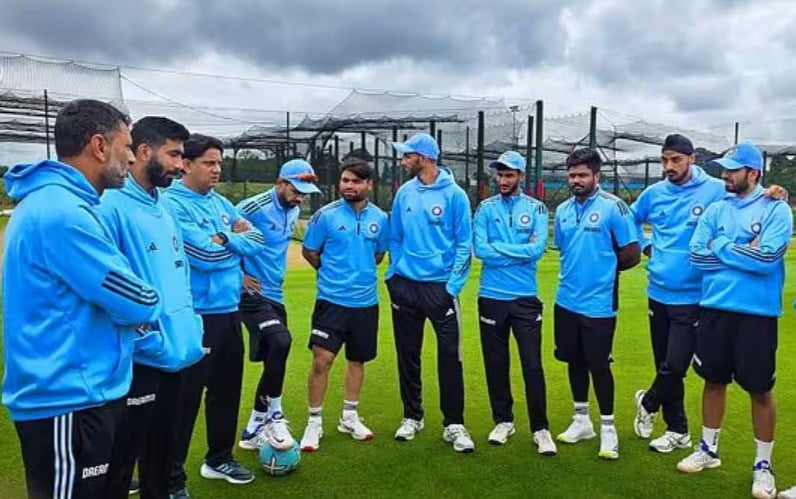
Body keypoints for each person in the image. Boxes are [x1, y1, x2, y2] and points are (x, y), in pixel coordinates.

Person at [2, 99, 162, 498]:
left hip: (80, 393)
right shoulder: (62, 212)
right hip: (66, 398)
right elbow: (137, 300)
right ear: (99, 146)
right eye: (127, 146)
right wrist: (149, 300)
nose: (131, 158)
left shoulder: (65, 204)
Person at [631, 135, 788, 454]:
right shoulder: (655, 193)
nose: (668, 166)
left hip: (697, 295)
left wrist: (776, 193)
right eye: (664, 160)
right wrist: (646, 246)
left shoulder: (717, 190)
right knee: (667, 365)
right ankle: (678, 430)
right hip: (658, 290)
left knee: (676, 365)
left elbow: (754, 204)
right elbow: (632, 221)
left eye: (675, 159)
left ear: (691, 159)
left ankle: (649, 402)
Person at [97, 117, 205, 498]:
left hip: (178, 355)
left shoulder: (165, 208)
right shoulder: (110, 206)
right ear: (144, 152)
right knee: (119, 465)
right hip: (139, 362)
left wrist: (190, 326)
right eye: (173, 155)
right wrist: (148, 340)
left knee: (162, 462)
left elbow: (181, 276)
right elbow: (106, 289)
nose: (181, 165)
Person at [679, 142, 792, 499]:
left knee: (759, 389)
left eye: (732, 169)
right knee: (713, 381)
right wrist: (741, 249)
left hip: (757, 314)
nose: (725, 175)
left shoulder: (776, 208)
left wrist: (722, 244)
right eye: (724, 168)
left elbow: (767, 259)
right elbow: (697, 256)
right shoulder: (717, 209)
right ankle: (708, 450)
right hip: (715, 309)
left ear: (753, 173)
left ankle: (763, 465)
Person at [162, 134, 264, 491]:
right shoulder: (171, 204)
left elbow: (258, 241)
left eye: (219, 162)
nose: (217, 169)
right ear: (186, 165)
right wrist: (232, 240)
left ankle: (219, 459)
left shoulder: (222, 203)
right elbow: (204, 256)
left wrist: (225, 239)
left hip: (229, 311)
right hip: (195, 316)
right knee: (184, 401)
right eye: (209, 162)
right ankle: (170, 478)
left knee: (227, 392)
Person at [386, 133, 475, 453]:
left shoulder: (455, 195)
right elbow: (395, 236)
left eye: (407, 156)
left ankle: (454, 423)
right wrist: (394, 273)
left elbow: (465, 243)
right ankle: (412, 416)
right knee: (407, 355)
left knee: (450, 356)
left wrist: (452, 287)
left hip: (440, 289)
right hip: (405, 287)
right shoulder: (404, 193)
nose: (402, 161)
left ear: (423, 158)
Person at [553, 147, 640, 460]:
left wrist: (603, 271)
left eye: (582, 175)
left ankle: (608, 428)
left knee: (598, 364)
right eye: (572, 175)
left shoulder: (614, 207)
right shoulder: (562, 210)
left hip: (599, 302)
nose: (576, 180)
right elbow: (564, 248)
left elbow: (632, 253)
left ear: (596, 176)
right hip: (566, 299)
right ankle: (581, 421)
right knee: (574, 360)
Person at [299, 157, 389, 451]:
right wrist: (330, 274)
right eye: (345, 180)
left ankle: (349, 417)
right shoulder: (324, 216)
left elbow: (378, 255)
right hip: (331, 302)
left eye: (356, 181)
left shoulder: (381, 218)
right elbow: (310, 251)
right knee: (322, 360)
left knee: (357, 360)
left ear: (369, 185)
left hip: (365, 303)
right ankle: (314, 422)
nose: (349, 186)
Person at [473, 151, 557, 456]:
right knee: (495, 363)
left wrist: (500, 249)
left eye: (509, 175)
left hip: (525, 299)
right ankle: (503, 421)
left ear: (521, 176)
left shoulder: (536, 208)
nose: (503, 180)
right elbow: (481, 249)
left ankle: (540, 429)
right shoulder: (485, 208)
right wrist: (516, 252)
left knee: (532, 364)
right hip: (491, 297)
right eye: (500, 175)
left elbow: (536, 250)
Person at [235, 158, 320, 451]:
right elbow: (221, 241)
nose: (300, 198)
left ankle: (254, 426)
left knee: (275, 354)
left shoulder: (293, 209)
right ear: (280, 183)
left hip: (276, 294)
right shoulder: (251, 208)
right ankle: (275, 413)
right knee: (281, 342)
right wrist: (239, 276)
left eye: (304, 193)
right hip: (250, 294)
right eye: (296, 190)